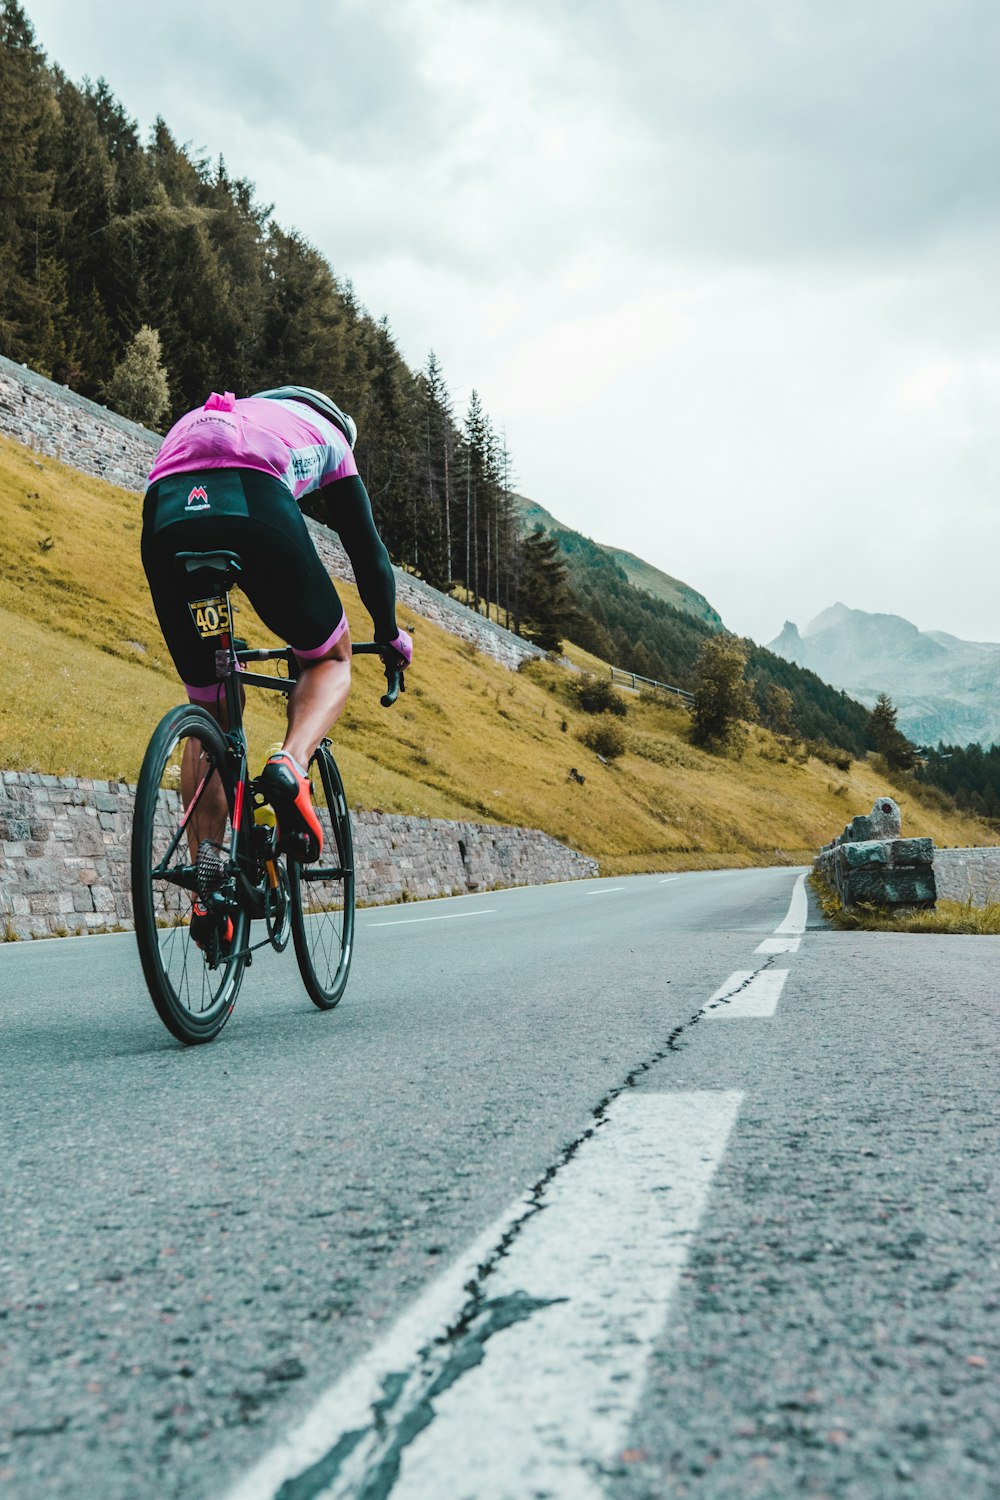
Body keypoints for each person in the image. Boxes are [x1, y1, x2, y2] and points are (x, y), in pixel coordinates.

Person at [141, 386, 412, 944]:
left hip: (166, 509)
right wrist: (388, 634)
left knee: (210, 708)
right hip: (253, 499)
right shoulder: (333, 439)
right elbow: (369, 554)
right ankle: (290, 765)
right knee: (329, 657)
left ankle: (208, 891)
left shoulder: (238, 413)